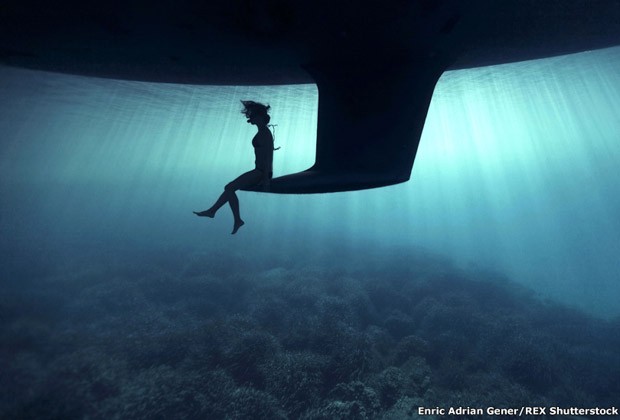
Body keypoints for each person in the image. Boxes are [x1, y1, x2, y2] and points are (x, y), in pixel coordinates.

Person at [194, 100, 275, 234]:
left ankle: (230, 217)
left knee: (229, 188)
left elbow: (268, 157)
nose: (249, 118)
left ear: (259, 117)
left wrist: (266, 179)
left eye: (252, 115)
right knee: (229, 188)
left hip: (261, 172)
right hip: (260, 171)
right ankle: (214, 212)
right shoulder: (263, 132)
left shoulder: (264, 133)